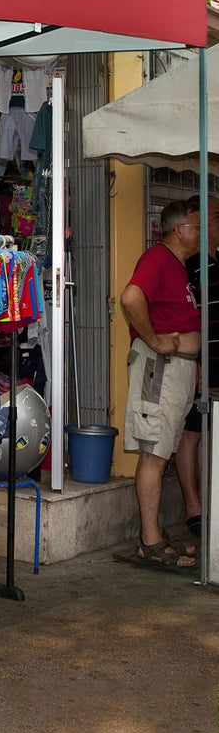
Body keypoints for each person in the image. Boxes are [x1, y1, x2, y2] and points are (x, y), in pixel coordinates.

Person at [119, 198, 201, 570]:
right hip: (161, 367)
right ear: (179, 229)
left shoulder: (177, 266)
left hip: (176, 368)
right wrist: (154, 340)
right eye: (197, 227)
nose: (201, 234)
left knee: (161, 449)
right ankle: (149, 543)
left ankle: (153, 537)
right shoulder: (156, 259)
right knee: (154, 452)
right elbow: (130, 297)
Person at [183, 196, 219, 540]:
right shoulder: (189, 265)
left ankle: (212, 504)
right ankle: (194, 509)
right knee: (192, 433)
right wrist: (194, 362)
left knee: (213, 435)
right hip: (200, 365)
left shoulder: (216, 261)